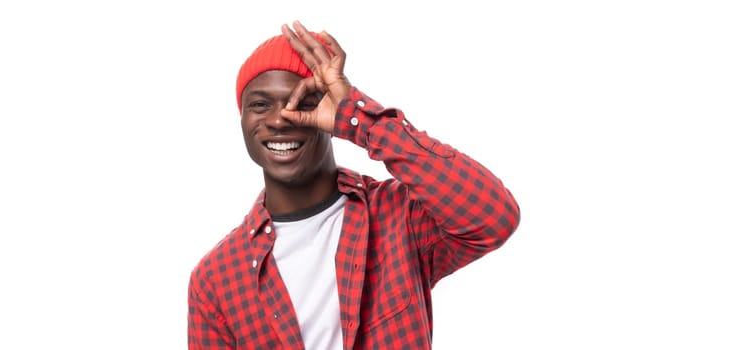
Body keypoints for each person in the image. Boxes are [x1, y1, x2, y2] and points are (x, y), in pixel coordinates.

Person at [187, 21, 521, 350]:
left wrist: (360, 120)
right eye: (260, 105)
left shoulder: (398, 218)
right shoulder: (216, 278)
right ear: (242, 119)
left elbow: (494, 217)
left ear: (331, 116)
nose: (279, 119)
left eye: (304, 103)